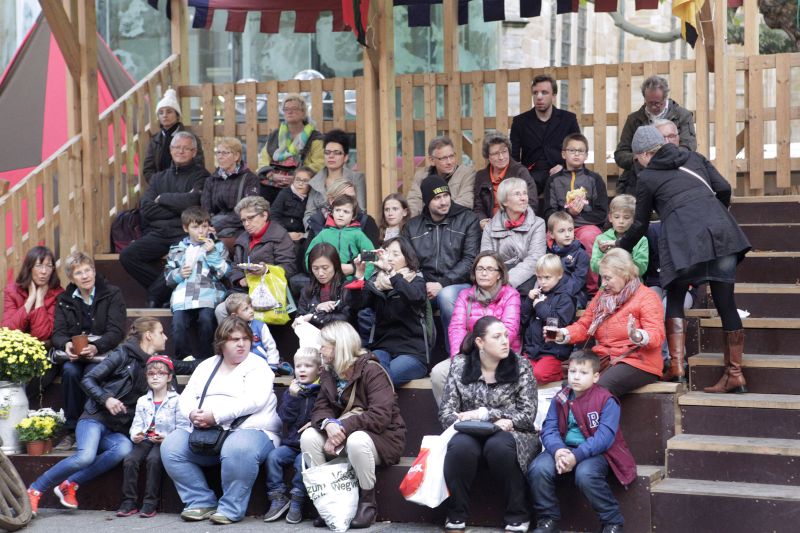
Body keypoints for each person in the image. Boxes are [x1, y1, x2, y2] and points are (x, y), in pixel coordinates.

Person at [616, 125, 750, 389]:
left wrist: (621, 246)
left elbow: (640, 224)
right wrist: (713, 214)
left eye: (637, 158)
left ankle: (676, 367)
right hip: (721, 236)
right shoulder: (694, 157)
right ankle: (735, 375)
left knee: (675, 294)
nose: (638, 164)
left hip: (685, 242)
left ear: (645, 154)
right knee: (726, 304)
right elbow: (723, 188)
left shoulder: (648, 177)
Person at [26, 317, 166, 516]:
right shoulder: (121, 354)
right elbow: (88, 379)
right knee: (85, 456)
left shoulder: (155, 364)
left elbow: (179, 368)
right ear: (149, 336)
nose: (166, 337)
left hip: (117, 427)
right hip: (94, 417)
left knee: (123, 449)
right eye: (161, 332)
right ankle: (35, 489)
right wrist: (106, 399)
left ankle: (69, 484)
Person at [161, 316, 282, 524]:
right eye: (235, 339)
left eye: (245, 339)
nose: (241, 344)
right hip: (208, 434)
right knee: (171, 447)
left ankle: (231, 508)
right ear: (221, 343)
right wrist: (192, 413)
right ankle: (200, 501)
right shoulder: (207, 366)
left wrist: (215, 416)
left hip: (252, 430)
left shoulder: (259, 366)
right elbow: (187, 396)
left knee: (238, 448)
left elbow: (254, 400)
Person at [300, 321, 406, 529]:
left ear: (339, 347)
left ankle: (367, 504)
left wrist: (340, 426)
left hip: (383, 438)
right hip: (344, 435)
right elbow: (320, 409)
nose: (320, 350)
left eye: (324, 346)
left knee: (357, 440)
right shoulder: (329, 373)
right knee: (309, 437)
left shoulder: (372, 371)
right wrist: (328, 424)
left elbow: (380, 416)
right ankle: (329, 501)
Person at [438, 316, 538, 533]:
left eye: (506, 335)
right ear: (480, 342)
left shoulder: (521, 366)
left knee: (499, 446)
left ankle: (518, 514)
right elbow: (446, 413)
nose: (505, 341)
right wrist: (470, 420)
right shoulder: (460, 365)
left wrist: (486, 414)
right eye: (497, 337)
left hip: (513, 432)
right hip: (471, 431)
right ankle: (456, 514)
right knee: (460, 447)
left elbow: (527, 415)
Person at [528, 351, 635, 533]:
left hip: (597, 453)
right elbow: (549, 428)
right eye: (572, 371)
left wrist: (576, 456)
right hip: (564, 449)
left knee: (585, 474)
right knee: (538, 469)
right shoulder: (561, 397)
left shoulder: (606, 400)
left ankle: (612, 522)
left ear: (596, 377)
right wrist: (558, 450)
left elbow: (604, 438)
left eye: (583, 373)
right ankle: (547, 520)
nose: (576, 377)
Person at [552, 249, 665, 398]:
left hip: (639, 361)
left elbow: (657, 334)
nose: (603, 283)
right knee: (569, 385)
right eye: (602, 278)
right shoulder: (602, 296)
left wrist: (638, 336)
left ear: (624, 274)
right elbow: (584, 325)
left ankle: (599, 414)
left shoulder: (647, 296)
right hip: (606, 358)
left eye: (607, 278)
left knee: (600, 388)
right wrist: (563, 333)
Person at [120, 131, 209, 308]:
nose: (180, 151)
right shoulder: (158, 178)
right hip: (159, 233)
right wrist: (179, 208)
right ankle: (168, 291)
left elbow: (193, 202)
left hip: (183, 233)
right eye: (177, 147)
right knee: (128, 256)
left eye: (186, 148)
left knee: (186, 257)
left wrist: (163, 198)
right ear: (170, 150)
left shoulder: (202, 176)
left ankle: (154, 295)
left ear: (194, 152)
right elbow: (146, 209)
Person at [51, 252, 127, 451]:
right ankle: (71, 430)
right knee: (70, 372)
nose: (85, 276)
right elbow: (58, 333)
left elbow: (117, 331)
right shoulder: (64, 299)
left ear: (94, 271)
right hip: (76, 356)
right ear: (71, 278)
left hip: (103, 353)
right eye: (78, 273)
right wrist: (66, 345)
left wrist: (96, 346)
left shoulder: (112, 293)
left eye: (87, 270)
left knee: (90, 375)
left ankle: (88, 429)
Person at [430, 252, 521, 405]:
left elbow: (510, 330)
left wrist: (484, 356)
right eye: (480, 269)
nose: (484, 273)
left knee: (485, 377)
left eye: (490, 269)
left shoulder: (511, 295)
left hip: (501, 355)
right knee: (438, 373)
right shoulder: (465, 295)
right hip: (470, 353)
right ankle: (451, 415)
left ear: (499, 274)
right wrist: (458, 358)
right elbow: (457, 328)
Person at [403, 176, 481, 353]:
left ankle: (455, 354)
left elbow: (470, 260)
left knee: (446, 296)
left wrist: (442, 284)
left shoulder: (467, 219)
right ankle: (417, 356)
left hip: (459, 284)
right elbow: (409, 262)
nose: (444, 201)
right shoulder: (412, 227)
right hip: (425, 285)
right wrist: (421, 284)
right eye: (437, 198)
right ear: (427, 201)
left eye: (446, 195)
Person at [351, 237, 430, 386]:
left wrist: (391, 272)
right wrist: (360, 275)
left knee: (382, 378)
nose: (390, 258)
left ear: (407, 258)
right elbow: (356, 305)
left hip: (411, 352)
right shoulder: (376, 282)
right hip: (382, 347)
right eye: (387, 253)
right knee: (368, 374)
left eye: (396, 254)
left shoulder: (416, 280)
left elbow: (415, 297)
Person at [117, 355, 189, 518]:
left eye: (161, 373)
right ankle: (129, 501)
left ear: (169, 377)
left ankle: (150, 502)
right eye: (151, 374)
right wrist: (135, 435)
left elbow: (182, 426)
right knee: (130, 460)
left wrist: (167, 438)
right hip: (145, 439)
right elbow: (136, 424)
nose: (155, 377)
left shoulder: (177, 400)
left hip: (165, 441)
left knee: (154, 460)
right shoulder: (143, 400)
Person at [543, 133, 608, 295]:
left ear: (586, 155)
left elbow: (602, 213)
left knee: (590, 237)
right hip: (560, 226)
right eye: (572, 150)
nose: (577, 154)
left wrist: (577, 217)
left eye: (581, 151)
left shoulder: (594, 179)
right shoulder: (554, 180)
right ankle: (554, 288)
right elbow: (549, 212)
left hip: (586, 227)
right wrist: (568, 213)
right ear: (563, 154)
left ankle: (593, 291)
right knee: (547, 238)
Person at [263, 347, 322, 524]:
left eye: (308, 366)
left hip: (309, 446)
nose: (302, 370)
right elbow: (285, 417)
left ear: (319, 370)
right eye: (298, 366)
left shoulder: (322, 391)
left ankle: (297, 499)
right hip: (291, 443)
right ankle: (278, 496)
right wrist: (293, 397)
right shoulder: (292, 391)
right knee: (273, 457)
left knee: (300, 463)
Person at [164, 206, 229, 361]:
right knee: (178, 324)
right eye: (195, 227)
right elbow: (167, 277)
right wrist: (179, 274)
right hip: (183, 296)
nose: (201, 231)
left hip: (208, 293)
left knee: (206, 320)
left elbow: (223, 272)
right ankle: (183, 359)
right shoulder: (177, 249)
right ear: (185, 228)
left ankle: (206, 358)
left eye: (204, 226)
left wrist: (212, 253)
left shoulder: (217, 246)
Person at [614, 76, 697, 195]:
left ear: (665, 98)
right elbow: (620, 154)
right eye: (649, 103)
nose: (653, 107)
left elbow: (688, 148)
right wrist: (637, 158)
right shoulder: (634, 119)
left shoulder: (682, 116)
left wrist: (661, 159)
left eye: (657, 103)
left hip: (673, 175)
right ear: (644, 98)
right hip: (640, 178)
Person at [510, 75, 581, 192]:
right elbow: (514, 156)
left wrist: (564, 166)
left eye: (544, 92)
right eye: (535, 93)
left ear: (554, 96)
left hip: (560, 171)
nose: (539, 97)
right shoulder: (520, 122)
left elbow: (577, 149)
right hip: (531, 174)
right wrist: (521, 174)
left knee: (560, 186)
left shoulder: (568, 119)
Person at [480, 177, 546, 294]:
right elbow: (486, 260)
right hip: (496, 278)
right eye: (517, 194)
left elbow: (535, 259)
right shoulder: (490, 227)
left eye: (525, 193)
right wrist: (496, 280)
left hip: (527, 279)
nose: (523, 198)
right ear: (505, 201)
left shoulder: (538, 224)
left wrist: (507, 282)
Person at [257, 93, 324, 203]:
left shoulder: (315, 138)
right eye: (286, 109)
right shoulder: (275, 135)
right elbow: (264, 159)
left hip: (300, 183)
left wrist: (297, 177)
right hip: (272, 181)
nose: (289, 111)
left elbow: (319, 163)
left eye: (294, 108)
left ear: (303, 113)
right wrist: (271, 175)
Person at [520, 254, 577, 385]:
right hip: (533, 350)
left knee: (538, 375)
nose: (542, 282)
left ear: (559, 275)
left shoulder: (565, 297)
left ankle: (560, 372)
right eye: (539, 277)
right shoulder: (537, 294)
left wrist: (540, 306)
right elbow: (523, 320)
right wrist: (529, 301)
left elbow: (559, 322)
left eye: (547, 277)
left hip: (553, 352)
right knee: (521, 373)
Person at [229, 195, 297, 292]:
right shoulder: (242, 239)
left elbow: (289, 268)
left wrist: (266, 270)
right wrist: (240, 279)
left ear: (264, 215)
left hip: (270, 290)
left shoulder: (280, 236)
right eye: (243, 220)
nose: (246, 224)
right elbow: (236, 266)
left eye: (250, 218)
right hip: (244, 289)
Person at [304, 129, 367, 229]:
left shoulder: (356, 179)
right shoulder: (315, 181)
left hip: (349, 231)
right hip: (318, 232)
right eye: (327, 152)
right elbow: (309, 214)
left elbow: (361, 211)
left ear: (345, 157)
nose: (331, 156)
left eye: (337, 153)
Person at [473, 132, 538, 229]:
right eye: (495, 153)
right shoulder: (481, 176)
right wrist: (482, 221)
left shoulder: (520, 172)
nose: (501, 157)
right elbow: (478, 207)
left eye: (504, 151)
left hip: (516, 225)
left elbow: (532, 203)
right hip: (488, 227)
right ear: (488, 156)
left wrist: (511, 224)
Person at [305, 194, 376, 280]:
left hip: (352, 281)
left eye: (346, 212)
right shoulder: (324, 234)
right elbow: (309, 255)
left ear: (353, 216)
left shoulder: (358, 234)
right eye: (337, 210)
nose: (341, 214)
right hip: (328, 281)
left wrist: (363, 278)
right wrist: (318, 272)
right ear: (332, 212)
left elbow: (371, 255)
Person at [201, 137, 260, 238]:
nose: (220, 156)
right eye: (218, 152)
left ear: (236, 156)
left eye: (225, 153)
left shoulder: (250, 179)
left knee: (221, 242)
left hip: (240, 228)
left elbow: (249, 210)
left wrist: (218, 224)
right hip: (213, 227)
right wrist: (209, 225)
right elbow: (205, 209)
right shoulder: (211, 180)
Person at [142, 88, 205, 182]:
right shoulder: (155, 140)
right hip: (159, 185)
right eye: (161, 112)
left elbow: (198, 165)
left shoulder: (191, 139)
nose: (164, 115)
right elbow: (148, 169)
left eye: (169, 112)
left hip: (185, 185)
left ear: (177, 115)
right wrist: (158, 183)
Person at [2, 246, 63, 341]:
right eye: (38, 266)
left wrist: (39, 300)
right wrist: (31, 299)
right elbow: (8, 331)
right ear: (29, 268)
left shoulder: (58, 294)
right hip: (14, 347)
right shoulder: (12, 291)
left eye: (49, 266)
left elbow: (42, 335)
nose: (44, 271)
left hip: (44, 347)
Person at [407, 136, 476, 217]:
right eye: (443, 158)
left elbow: (466, 202)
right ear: (432, 160)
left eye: (451, 156)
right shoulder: (421, 175)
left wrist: (435, 215)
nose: (449, 162)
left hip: (455, 221)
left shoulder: (467, 174)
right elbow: (414, 202)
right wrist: (409, 219)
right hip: (425, 221)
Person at [294, 243, 354, 328]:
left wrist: (313, 316)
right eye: (315, 268)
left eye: (325, 268)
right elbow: (299, 321)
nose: (320, 273)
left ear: (335, 265)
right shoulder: (307, 290)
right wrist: (317, 308)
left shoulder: (346, 288)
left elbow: (346, 318)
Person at [305, 179, 380, 245]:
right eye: (344, 197)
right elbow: (309, 254)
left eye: (352, 198)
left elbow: (372, 253)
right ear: (331, 200)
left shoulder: (366, 222)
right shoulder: (318, 221)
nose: (349, 201)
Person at [592, 195, 649, 278]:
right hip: (608, 284)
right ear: (610, 217)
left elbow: (641, 269)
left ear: (634, 219)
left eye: (626, 217)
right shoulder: (601, 239)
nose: (621, 221)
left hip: (632, 283)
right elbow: (594, 267)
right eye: (616, 217)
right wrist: (602, 253)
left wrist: (625, 251)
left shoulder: (641, 240)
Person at [271, 166, 313, 274]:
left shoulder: (311, 198)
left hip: (301, 234)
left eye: (305, 181)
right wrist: (286, 233)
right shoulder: (285, 193)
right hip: (283, 232)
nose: (300, 184)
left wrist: (303, 234)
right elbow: (274, 216)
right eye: (298, 180)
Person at [546, 212, 590, 309]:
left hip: (574, 295)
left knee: (563, 306)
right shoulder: (548, 252)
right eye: (561, 231)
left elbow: (578, 280)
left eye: (570, 230)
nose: (567, 234)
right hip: (552, 293)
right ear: (551, 234)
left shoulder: (581, 254)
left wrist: (561, 295)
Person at [224, 293, 280, 369]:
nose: (251, 311)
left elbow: (271, 346)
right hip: (240, 365)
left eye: (251, 307)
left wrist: (272, 364)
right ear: (235, 315)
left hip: (261, 363)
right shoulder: (229, 329)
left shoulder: (260, 326)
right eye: (246, 309)